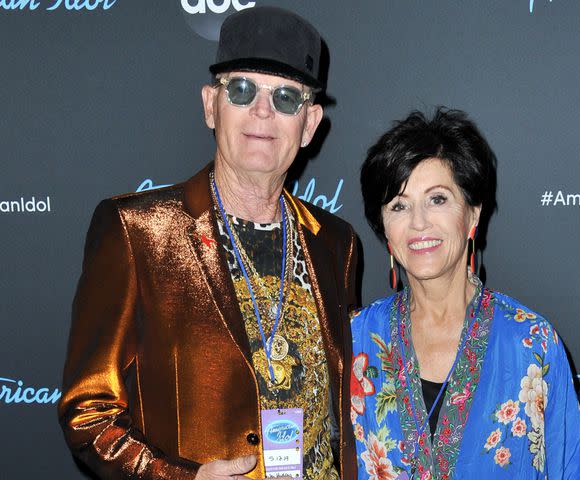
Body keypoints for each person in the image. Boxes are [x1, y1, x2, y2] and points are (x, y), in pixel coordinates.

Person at [58, 7, 358, 480]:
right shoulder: (137, 231)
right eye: (242, 89)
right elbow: (88, 414)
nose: (263, 110)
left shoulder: (336, 244)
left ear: (309, 123)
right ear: (209, 104)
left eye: (285, 97)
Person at [351, 108, 580, 479]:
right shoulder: (354, 340)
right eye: (399, 205)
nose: (418, 222)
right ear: (384, 227)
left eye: (438, 199)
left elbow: (569, 469)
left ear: (473, 214)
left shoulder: (531, 343)